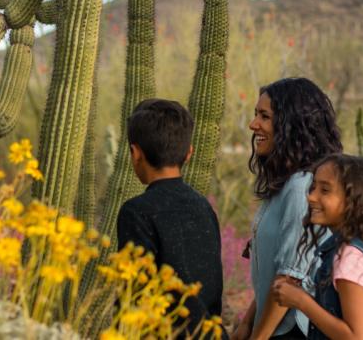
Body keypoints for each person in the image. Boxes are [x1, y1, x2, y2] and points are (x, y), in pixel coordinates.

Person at [232, 77, 343, 340]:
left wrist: (258, 337)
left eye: (264, 116)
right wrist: (248, 322)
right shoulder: (285, 185)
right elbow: (276, 272)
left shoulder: (302, 187)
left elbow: (290, 278)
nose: (253, 124)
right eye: (255, 114)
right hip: (277, 327)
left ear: (290, 125)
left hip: (293, 331)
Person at [116, 98, 225, 338]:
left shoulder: (136, 212)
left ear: (135, 153)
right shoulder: (204, 207)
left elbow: (134, 293)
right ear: (188, 154)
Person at [271, 154, 363, 340]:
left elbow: (356, 337)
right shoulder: (360, 247)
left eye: (324, 190)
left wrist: (301, 301)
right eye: (313, 187)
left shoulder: (349, 257)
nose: (311, 197)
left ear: (354, 201)